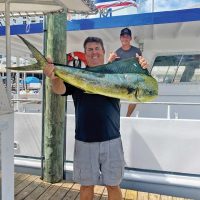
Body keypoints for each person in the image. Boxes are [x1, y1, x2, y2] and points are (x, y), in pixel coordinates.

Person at [44, 36, 148, 200]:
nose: (94, 52)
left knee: (113, 185)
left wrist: (141, 68)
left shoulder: (116, 73)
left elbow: (137, 84)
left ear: (103, 51)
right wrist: (54, 78)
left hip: (111, 139)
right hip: (84, 141)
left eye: (97, 48)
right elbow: (59, 90)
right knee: (86, 186)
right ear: (85, 54)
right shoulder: (77, 75)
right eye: (90, 49)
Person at [108, 27, 145, 117]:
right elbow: (113, 69)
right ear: (120, 38)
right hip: (121, 80)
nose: (125, 38)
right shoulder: (117, 52)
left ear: (130, 38)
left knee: (136, 98)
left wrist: (140, 60)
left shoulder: (137, 51)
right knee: (114, 98)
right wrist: (110, 60)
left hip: (133, 80)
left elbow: (141, 65)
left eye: (127, 36)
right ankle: (117, 115)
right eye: (123, 36)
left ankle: (128, 116)